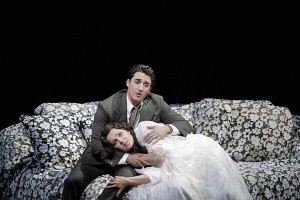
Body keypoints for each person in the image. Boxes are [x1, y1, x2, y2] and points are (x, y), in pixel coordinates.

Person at [61, 64, 193, 200]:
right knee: (73, 181)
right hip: (102, 156)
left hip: (133, 161)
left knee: (120, 183)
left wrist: (165, 129)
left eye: (146, 85)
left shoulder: (157, 102)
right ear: (128, 82)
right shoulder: (107, 106)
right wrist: (127, 158)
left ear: (149, 89)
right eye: (137, 82)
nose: (140, 88)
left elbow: (185, 125)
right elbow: (96, 142)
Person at [103, 121, 253, 200]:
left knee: (216, 187)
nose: (120, 141)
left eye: (120, 134)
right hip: (174, 165)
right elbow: (154, 175)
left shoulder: (142, 129)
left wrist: (134, 159)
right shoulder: (133, 157)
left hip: (195, 151)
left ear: (128, 130)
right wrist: (128, 179)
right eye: (115, 142)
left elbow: (157, 158)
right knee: (179, 188)